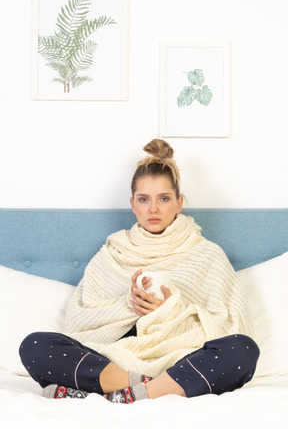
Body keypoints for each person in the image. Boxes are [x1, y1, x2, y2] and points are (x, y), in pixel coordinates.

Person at [19, 139, 259, 403]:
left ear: (179, 203)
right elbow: (79, 322)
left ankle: (115, 395)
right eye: (144, 199)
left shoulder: (207, 254)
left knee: (244, 350)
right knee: (35, 346)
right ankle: (147, 389)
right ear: (133, 204)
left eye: (164, 199)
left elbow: (231, 325)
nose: (153, 209)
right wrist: (128, 304)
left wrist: (170, 308)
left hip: (180, 360)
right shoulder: (112, 253)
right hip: (113, 360)